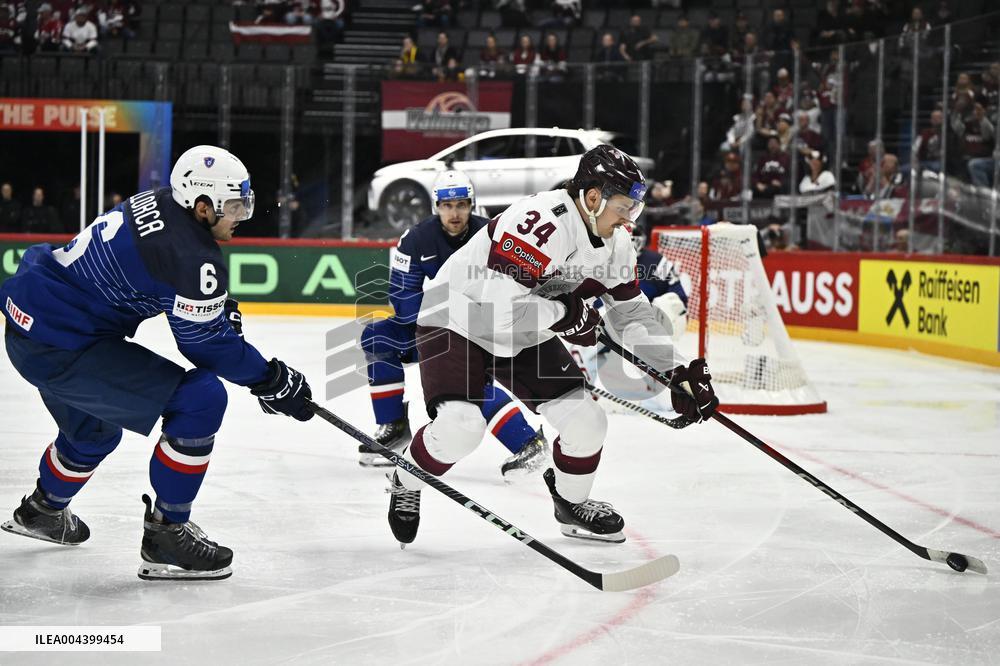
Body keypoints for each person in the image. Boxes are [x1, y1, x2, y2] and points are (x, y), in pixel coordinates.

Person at [0, 145, 314, 581]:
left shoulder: (162, 200)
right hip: (63, 344)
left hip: (32, 326)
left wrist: (216, 313)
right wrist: (271, 379)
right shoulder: (192, 256)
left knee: (92, 433)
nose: (242, 215)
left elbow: (167, 289)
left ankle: (42, 512)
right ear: (202, 207)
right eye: (235, 205)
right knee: (200, 399)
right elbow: (204, 348)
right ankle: (167, 535)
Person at [386, 145, 719, 547]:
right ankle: (405, 475)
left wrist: (676, 370)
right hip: (458, 319)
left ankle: (571, 504)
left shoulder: (616, 244)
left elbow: (631, 316)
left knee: (587, 422)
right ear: (592, 197)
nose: (629, 217)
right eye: (622, 206)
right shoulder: (539, 222)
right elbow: (498, 313)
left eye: (634, 207)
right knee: (461, 429)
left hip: (524, 329)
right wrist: (565, 315)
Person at [359, 170, 549, 479]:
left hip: (483, 329)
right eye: (447, 206)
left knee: (468, 380)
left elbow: (510, 288)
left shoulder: (493, 236)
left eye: (461, 204)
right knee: (378, 337)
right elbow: (402, 296)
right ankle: (393, 427)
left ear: (471, 204)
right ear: (436, 206)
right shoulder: (416, 238)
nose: (455, 212)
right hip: (432, 326)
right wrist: (441, 325)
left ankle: (528, 442)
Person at [568, 224, 690, 418]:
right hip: (614, 318)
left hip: (650, 320)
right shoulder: (599, 257)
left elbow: (679, 294)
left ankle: (665, 388)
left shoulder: (656, 262)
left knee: (665, 307)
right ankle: (584, 380)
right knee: (591, 325)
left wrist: (658, 308)